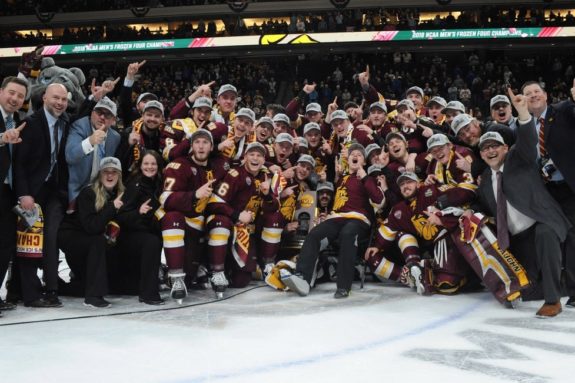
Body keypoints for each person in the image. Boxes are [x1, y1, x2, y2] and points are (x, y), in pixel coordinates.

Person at [475, 87, 572, 318]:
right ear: (481, 155)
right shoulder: (485, 182)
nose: (490, 151)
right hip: (518, 240)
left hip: (542, 223)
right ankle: (563, 283)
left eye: (495, 146)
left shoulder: (520, 159)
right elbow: (485, 208)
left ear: (506, 148)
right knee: (523, 291)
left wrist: (523, 114)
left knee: (545, 234)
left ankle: (553, 300)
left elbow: (529, 140)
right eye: (485, 148)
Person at [282, 143, 384, 298]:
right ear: (348, 160)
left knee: (348, 234)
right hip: (337, 218)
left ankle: (344, 286)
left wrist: (364, 177)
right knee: (315, 233)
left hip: (358, 219)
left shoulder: (369, 178)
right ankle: (303, 277)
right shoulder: (341, 179)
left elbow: (379, 200)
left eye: (359, 154)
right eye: (352, 154)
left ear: (364, 162)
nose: (355, 156)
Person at [13, 83, 70, 308]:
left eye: (64, 99)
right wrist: (25, 194)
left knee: (50, 238)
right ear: (44, 97)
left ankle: (50, 288)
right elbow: (20, 163)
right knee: (29, 241)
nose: (59, 103)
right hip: (32, 191)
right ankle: (28, 294)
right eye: (56, 98)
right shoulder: (31, 123)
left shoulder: (66, 121)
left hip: (54, 190)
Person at [522, 79, 575, 307]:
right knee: (552, 236)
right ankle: (555, 289)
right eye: (528, 93)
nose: (533, 95)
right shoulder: (521, 126)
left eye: (536, 91)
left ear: (546, 95)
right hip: (546, 193)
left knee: (573, 238)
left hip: (570, 188)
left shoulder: (564, 111)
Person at [160, 130, 227, 302]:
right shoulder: (180, 165)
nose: (201, 146)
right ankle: (175, 276)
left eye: (205, 142)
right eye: (197, 142)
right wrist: (194, 195)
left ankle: (215, 272)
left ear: (212, 147)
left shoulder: (219, 166)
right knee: (172, 217)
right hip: (183, 223)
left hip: (203, 223)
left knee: (222, 221)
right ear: (191, 146)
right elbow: (166, 198)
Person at [205, 142, 275, 298]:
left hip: (248, 231)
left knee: (240, 281)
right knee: (220, 222)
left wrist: (267, 194)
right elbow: (214, 203)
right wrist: (236, 215)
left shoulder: (267, 177)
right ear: (245, 157)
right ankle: (217, 270)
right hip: (230, 226)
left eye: (259, 155)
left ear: (264, 160)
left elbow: (274, 207)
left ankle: (263, 265)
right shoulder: (235, 175)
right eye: (252, 154)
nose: (255, 158)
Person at [0, 76, 28, 313]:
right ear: (1, 92)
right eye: (12, 93)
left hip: (7, 192)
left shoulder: (16, 120)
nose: (15, 99)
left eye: (20, 96)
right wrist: (2, 139)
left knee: (6, 244)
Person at [65, 97, 121, 205]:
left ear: (113, 120)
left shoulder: (115, 137)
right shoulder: (79, 126)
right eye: (99, 112)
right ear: (92, 113)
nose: (102, 117)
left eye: (107, 114)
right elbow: (70, 157)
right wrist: (90, 141)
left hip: (100, 192)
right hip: (76, 191)